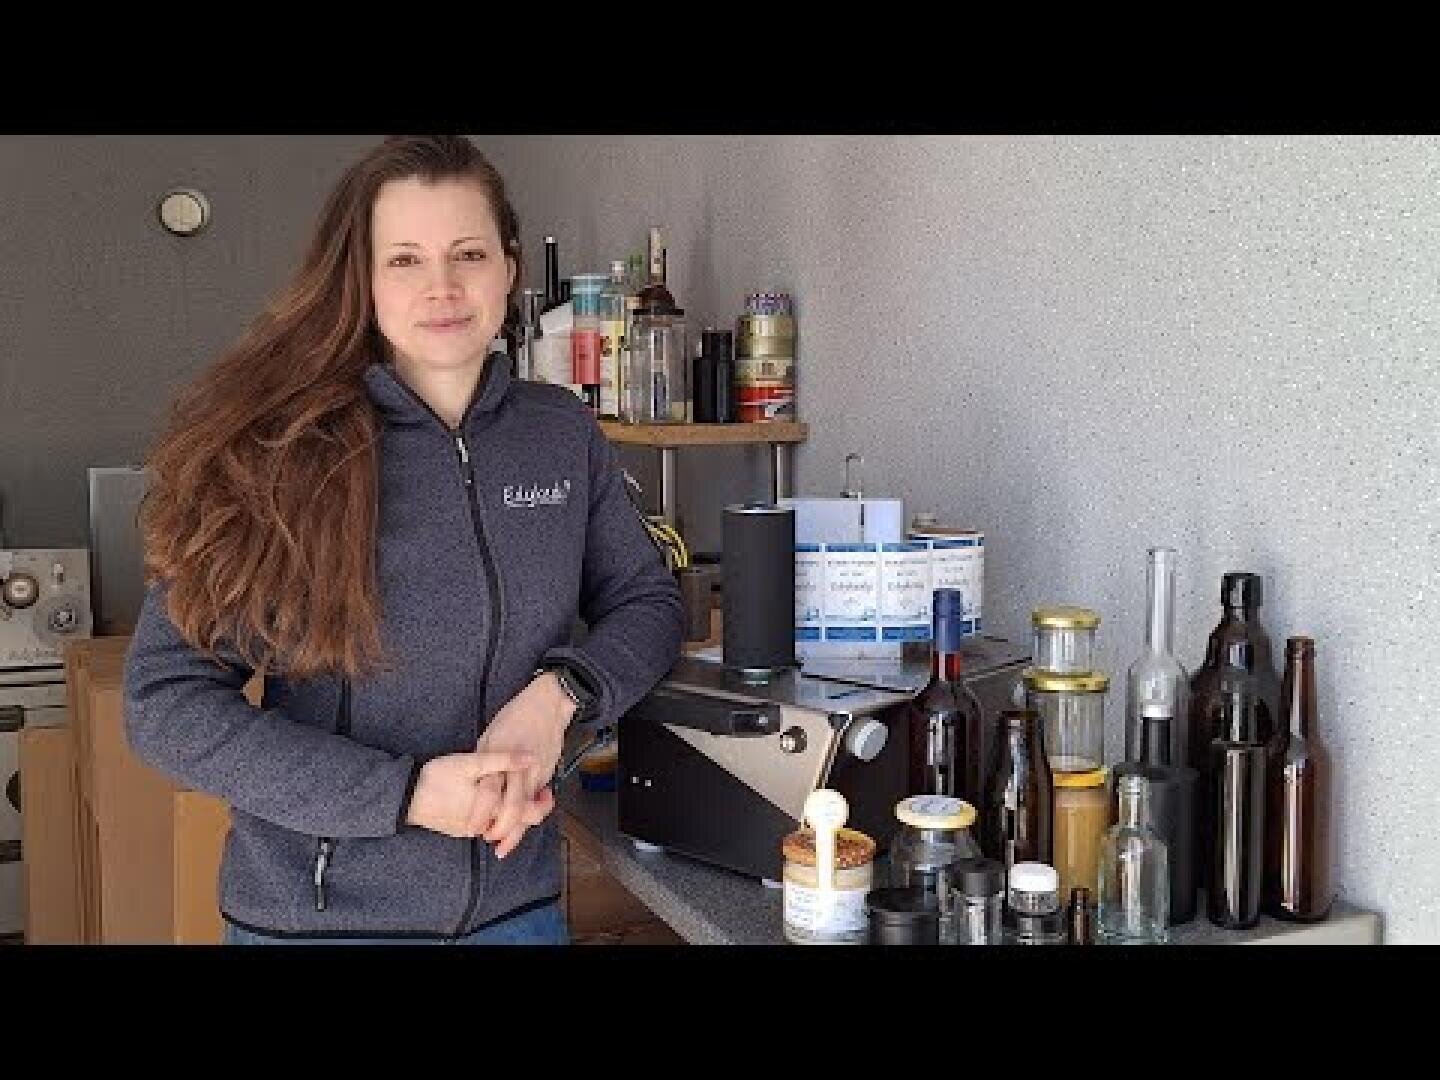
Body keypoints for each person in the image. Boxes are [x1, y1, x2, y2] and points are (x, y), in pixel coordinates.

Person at [123, 135, 684, 945]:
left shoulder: (559, 433)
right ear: (362, 278)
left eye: (468, 253)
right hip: (323, 923)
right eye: (406, 260)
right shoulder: (278, 457)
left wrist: (557, 697)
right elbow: (164, 704)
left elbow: (647, 601)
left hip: (517, 911)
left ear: (510, 266)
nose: (443, 287)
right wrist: (408, 795)